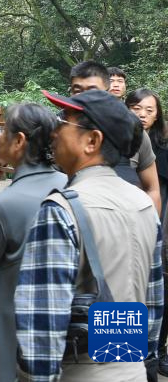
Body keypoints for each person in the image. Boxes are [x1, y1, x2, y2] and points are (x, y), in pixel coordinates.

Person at [16, 88, 163, 381]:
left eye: (63, 122)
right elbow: (152, 304)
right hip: (131, 368)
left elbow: (41, 329)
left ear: (92, 141)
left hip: (79, 372)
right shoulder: (144, 205)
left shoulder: (60, 209)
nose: (54, 131)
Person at [0, 104, 67, 382]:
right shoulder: (71, 185)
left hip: (12, 317)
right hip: (64, 319)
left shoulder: (4, 203)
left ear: (19, 141)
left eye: (3, 131)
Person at [69, 60, 161, 213]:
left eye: (93, 91)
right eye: (78, 90)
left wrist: (151, 223)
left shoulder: (133, 130)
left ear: (107, 92)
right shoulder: (62, 128)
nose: (85, 97)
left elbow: (153, 189)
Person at [127, 89, 168, 376]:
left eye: (149, 110)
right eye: (137, 108)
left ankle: (154, 353)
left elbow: (156, 188)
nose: (142, 115)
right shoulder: (118, 139)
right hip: (123, 220)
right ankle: (123, 355)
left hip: (157, 220)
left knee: (158, 286)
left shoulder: (163, 145)